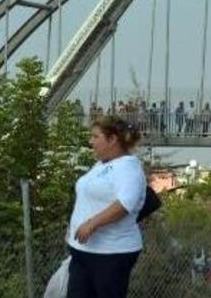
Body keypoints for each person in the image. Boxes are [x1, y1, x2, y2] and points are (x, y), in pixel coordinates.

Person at [66, 115, 147, 298]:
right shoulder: (101, 164)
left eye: (96, 137)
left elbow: (124, 205)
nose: (90, 142)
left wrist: (91, 224)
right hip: (83, 251)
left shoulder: (128, 168)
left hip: (110, 253)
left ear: (112, 140)